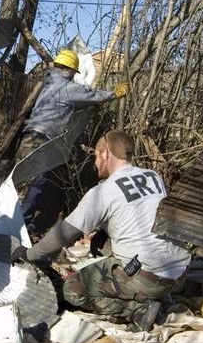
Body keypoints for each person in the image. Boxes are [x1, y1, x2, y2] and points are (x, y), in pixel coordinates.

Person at [11, 130, 191, 331]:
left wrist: (29, 254)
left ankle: (138, 311)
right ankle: (160, 296)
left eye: (96, 156)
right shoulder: (153, 176)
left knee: (72, 289)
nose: (95, 163)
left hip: (149, 278)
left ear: (106, 154)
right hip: (180, 273)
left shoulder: (102, 192)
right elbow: (142, 215)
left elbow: (65, 232)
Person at [15, 49, 129, 235]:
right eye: (73, 72)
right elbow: (91, 95)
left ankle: (25, 223)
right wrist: (114, 94)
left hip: (30, 137)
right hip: (42, 141)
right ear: (68, 69)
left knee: (37, 181)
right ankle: (20, 224)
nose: (73, 76)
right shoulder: (65, 87)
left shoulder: (48, 83)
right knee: (38, 182)